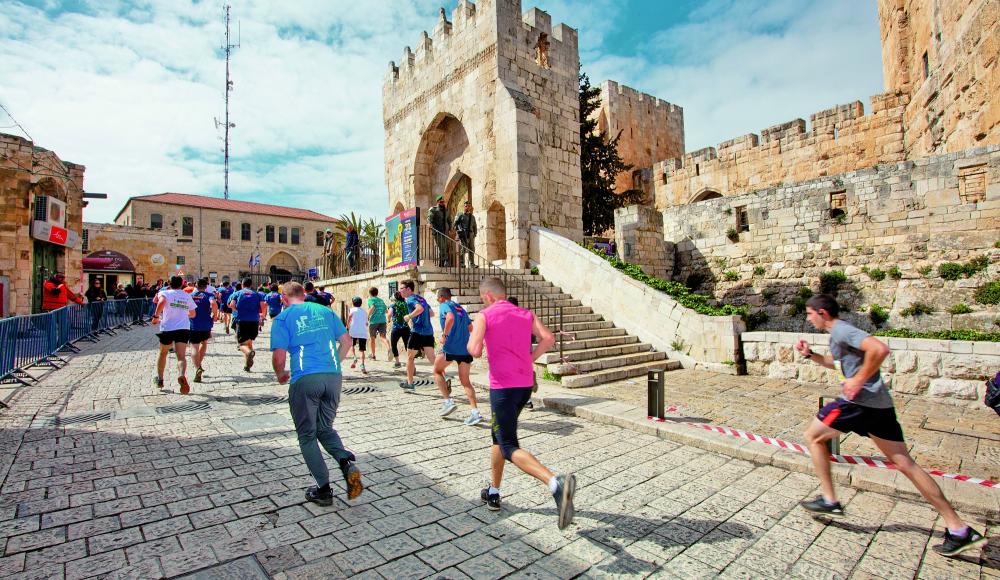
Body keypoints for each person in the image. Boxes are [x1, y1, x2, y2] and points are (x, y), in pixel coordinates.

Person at [795, 294, 987, 557]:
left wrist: (858, 381)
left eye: (809, 314)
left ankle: (829, 500)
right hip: (879, 406)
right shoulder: (837, 334)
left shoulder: (841, 329)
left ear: (822, 313)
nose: (808, 319)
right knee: (905, 463)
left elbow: (879, 349)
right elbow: (840, 365)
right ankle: (959, 530)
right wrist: (811, 356)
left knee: (813, 436)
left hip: (858, 403)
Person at [467, 277, 575, 528]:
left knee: (507, 445)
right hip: (524, 386)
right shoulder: (526, 313)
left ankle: (555, 483)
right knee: (499, 435)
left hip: (503, 387)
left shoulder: (485, 315)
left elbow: (474, 351)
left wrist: (474, 336)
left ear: (488, 296)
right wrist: (529, 358)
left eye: (484, 297)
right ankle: (494, 490)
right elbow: (548, 338)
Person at [270, 282, 363, 505]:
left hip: (305, 378)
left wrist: (281, 374)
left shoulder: (282, 319)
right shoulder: (325, 311)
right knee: (325, 428)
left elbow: (279, 357)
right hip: (333, 377)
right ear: (305, 294)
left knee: (307, 435)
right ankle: (346, 462)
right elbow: (346, 341)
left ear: (284, 298)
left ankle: (323, 489)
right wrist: (334, 365)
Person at [433, 288, 482, 425]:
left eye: (438, 299)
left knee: (436, 370)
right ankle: (475, 413)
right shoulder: (461, 308)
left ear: (442, 297)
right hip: (465, 349)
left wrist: (444, 335)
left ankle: (448, 402)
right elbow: (471, 328)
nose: (438, 301)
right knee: (466, 382)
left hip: (450, 347)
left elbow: (450, 318)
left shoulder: (445, 305)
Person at [151, 276, 196, 393]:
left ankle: (160, 379)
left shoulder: (165, 292)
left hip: (168, 328)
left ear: (169, 283)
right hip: (183, 328)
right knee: (181, 356)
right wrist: (183, 313)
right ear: (182, 284)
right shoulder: (187, 296)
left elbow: (161, 302)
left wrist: (156, 316)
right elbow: (193, 314)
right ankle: (181, 375)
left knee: (163, 353)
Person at [399, 280, 435, 390]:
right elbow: (431, 313)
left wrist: (409, 316)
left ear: (409, 289)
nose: (400, 291)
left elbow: (420, 309)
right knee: (432, 358)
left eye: (402, 288)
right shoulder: (421, 298)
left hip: (417, 332)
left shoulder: (410, 299)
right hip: (428, 332)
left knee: (410, 358)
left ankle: (410, 383)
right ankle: (443, 377)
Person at [228, 278, 267, 372]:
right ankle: (247, 365)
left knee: (241, 344)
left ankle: (249, 353)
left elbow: (231, 305)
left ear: (242, 284)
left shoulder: (237, 293)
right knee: (249, 342)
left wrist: (237, 310)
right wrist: (262, 315)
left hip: (242, 320)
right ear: (251, 285)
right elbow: (264, 305)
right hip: (254, 321)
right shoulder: (257, 294)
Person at [189, 278, 218, 384]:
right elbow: (213, 303)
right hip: (206, 323)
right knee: (204, 343)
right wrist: (215, 315)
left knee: (194, 346)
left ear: (196, 286)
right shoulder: (209, 295)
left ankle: (197, 367)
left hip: (193, 324)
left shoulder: (190, 296)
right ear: (206, 286)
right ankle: (199, 364)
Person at [387, 291, 410, 370]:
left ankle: (397, 362)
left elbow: (389, 314)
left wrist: (388, 320)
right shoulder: (406, 304)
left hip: (396, 328)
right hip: (406, 327)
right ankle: (410, 362)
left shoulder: (393, 305)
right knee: (408, 345)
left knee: (393, 344)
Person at [366, 287, 390, 361]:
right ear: (377, 293)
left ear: (370, 293)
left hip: (374, 321)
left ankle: (373, 355)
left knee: (372, 338)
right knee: (383, 337)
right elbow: (386, 311)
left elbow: (372, 307)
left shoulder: (370, 300)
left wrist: (367, 316)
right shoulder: (381, 300)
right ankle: (389, 349)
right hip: (382, 321)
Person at [347, 297, 369, 374]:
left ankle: (354, 357)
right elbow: (366, 323)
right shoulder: (364, 312)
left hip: (353, 331)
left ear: (353, 303)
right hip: (362, 332)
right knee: (362, 350)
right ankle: (362, 365)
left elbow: (349, 318)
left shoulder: (351, 310)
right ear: (361, 303)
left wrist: (347, 326)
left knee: (351, 345)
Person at [427, 195, 451, 267]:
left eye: (443, 202)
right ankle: (446, 260)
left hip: (445, 232)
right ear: (438, 202)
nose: (443, 203)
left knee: (445, 247)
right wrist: (429, 223)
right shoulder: (433, 210)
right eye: (441, 202)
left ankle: (441, 264)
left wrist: (450, 228)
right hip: (437, 231)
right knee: (442, 247)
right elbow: (429, 218)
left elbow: (449, 220)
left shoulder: (446, 210)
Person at [454, 200, 477, 268]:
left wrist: (475, 234)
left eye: (469, 206)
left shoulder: (472, 217)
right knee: (463, 249)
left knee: (472, 249)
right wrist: (458, 231)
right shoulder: (460, 215)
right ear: (464, 207)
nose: (467, 207)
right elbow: (455, 224)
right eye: (466, 206)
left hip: (470, 234)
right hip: (463, 234)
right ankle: (462, 263)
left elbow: (474, 226)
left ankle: (472, 264)